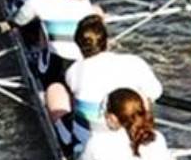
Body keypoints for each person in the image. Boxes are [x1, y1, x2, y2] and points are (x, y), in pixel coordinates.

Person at [11, 0, 98, 136]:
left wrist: (11, 23)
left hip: (56, 66)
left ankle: (61, 128)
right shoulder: (84, 1)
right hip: (83, 63)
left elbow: (19, 20)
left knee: (33, 31)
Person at [63, 14, 162, 148]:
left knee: (56, 90)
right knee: (144, 98)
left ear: (78, 45)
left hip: (89, 141)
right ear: (107, 41)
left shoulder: (73, 70)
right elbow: (156, 92)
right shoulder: (135, 62)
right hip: (133, 134)